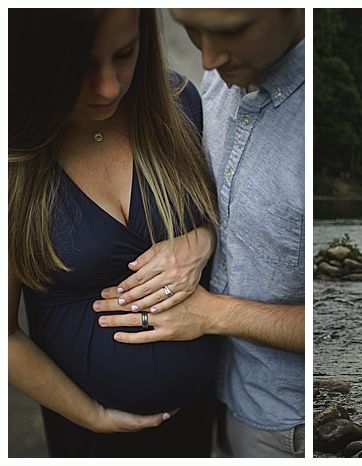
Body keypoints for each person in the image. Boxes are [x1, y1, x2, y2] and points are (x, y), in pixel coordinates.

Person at [92, 9, 306, 457]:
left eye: (232, 31)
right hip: (215, 398)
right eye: (192, 28)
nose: (207, 59)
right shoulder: (223, 76)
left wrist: (212, 314)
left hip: (290, 423)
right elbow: (237, 204)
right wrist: (204, 235)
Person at [8, 9, 219, 457]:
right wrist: (93, 416)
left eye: (124, 55)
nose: (108, 87)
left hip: (198, 416)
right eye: (79, 67)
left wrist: (204, 240)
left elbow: (226, 221)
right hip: (90, 437)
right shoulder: (13, 159)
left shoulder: (179, 103)